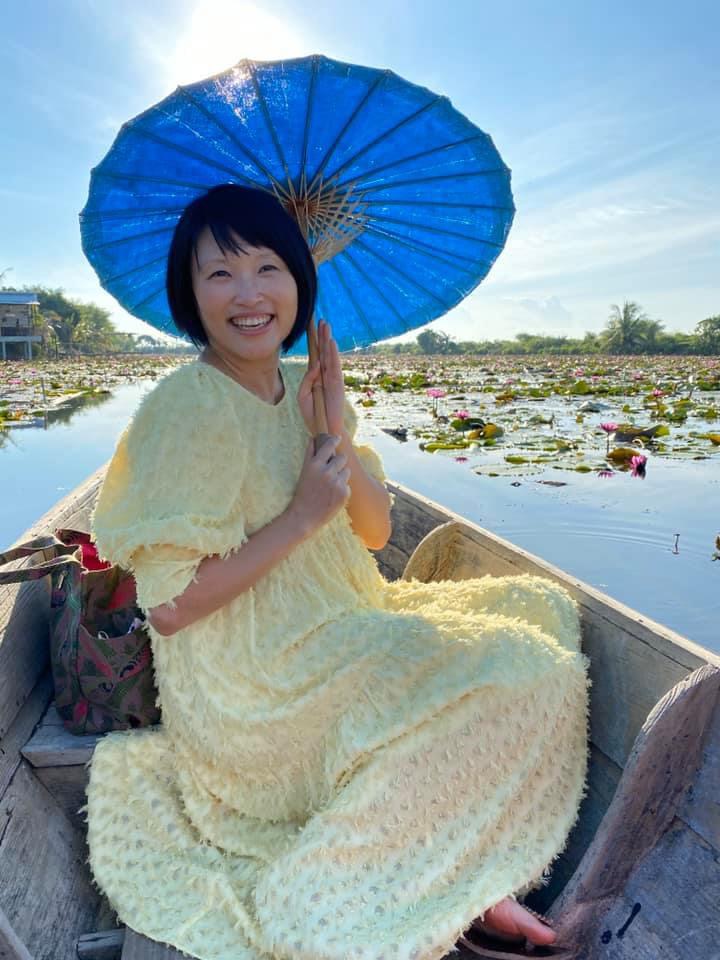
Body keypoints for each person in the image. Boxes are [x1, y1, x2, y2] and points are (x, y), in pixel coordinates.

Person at [85, 184, 589, 960]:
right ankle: (378, 883)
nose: (248, 295)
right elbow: (173, 609)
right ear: (189, 294)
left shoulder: (303, 386)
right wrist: (298, 518)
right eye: (219, 274)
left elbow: (376, 528)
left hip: (341, 617)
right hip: (255, 681)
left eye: (267, 267)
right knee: (527, 668)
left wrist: (332, 427)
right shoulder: (187, 409)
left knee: (540, 607)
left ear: (298, 277)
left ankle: (450, 855)